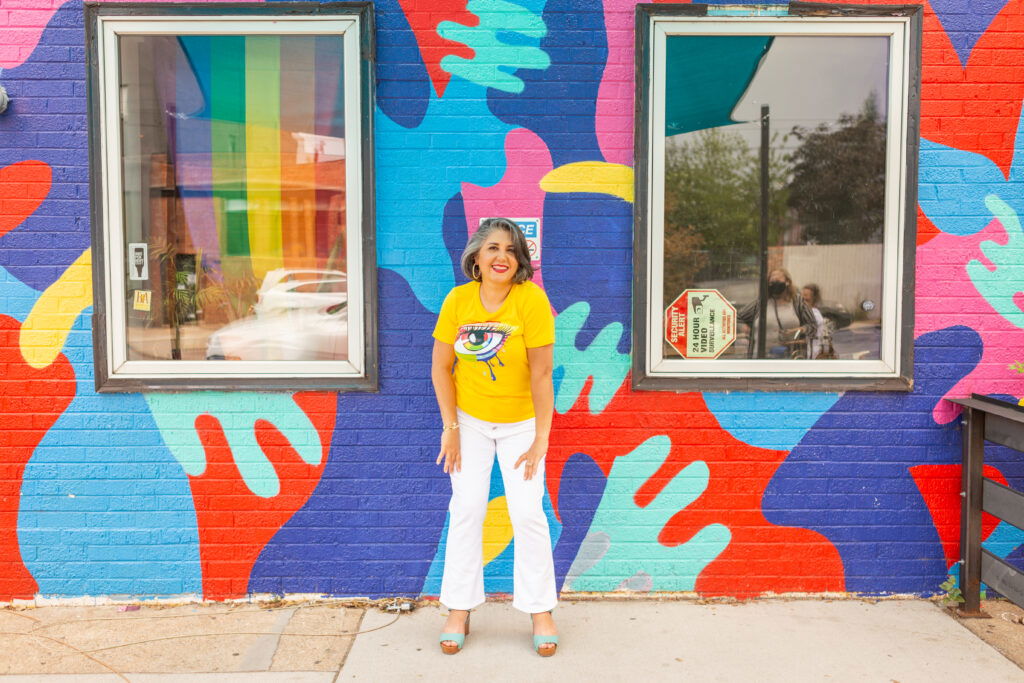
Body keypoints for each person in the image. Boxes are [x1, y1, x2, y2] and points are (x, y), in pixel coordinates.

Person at [431, 217, 559, 657]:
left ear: (520, 259)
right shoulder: (458, 300)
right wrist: (450, 428)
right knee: (466, 509)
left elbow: (542, 374)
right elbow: (440, 368)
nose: (501, 256)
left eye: (510, 249)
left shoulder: (531, 301)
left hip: (521, 425)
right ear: (476, 258)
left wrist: (541, 437)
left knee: (527, 514)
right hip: (469, 424)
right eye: (492, 248)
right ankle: (459, 609)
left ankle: (540, 610)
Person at [737, 268, 817, 359]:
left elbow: (813, 326)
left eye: (778, 280)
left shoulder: (797, 302)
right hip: (760, 357)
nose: (775, 283)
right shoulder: (761, 303)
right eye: (772, 281)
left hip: (789, 358)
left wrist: (798, 330)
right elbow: (737, 317)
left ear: (787, 282)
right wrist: (744, 328)